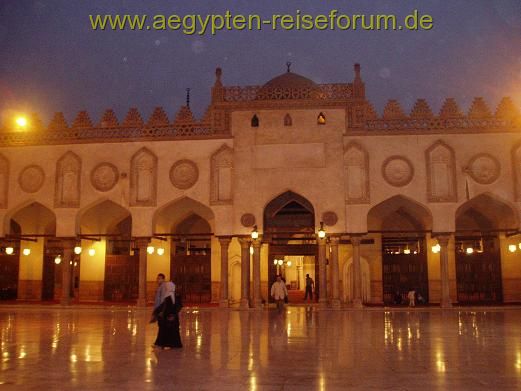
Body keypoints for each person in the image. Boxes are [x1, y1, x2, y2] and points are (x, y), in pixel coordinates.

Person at [151, 273, 182, 349]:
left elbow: (167, 306)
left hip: (168, 318)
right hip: (171, 318)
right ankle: (168, 344)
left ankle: (162, 344)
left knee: (165, 331)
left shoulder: (170, 296)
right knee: (170, 332)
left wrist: (159, 313)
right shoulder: (172, 295)